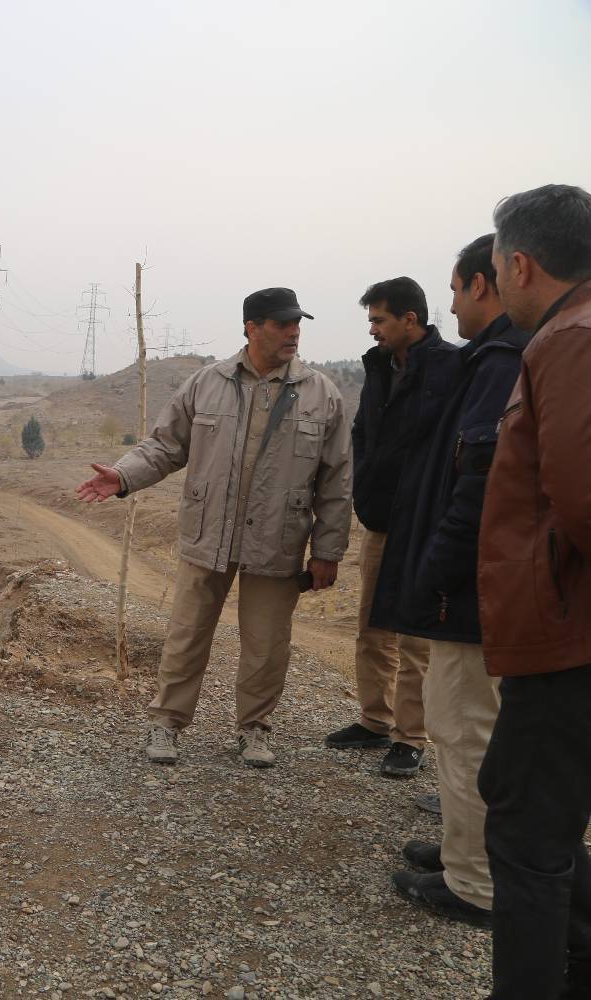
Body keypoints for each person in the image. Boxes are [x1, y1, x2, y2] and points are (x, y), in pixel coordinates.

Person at [76, 288, 350, 768]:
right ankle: (166, 723)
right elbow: (163, 447)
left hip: (278, 538)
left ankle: (255, 729)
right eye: (283, 323)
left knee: (267, 643)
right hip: (209, 532)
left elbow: (336, 478)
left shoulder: (320, 393)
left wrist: (327, 550)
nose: (294, 332)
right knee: (187, 632)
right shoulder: (208, 383)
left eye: (297, 323)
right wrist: (122, 477)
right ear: (252, 327)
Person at [367, 235, 529, 925]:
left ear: (483, 284)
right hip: (481, 584)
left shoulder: (501, 361)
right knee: (476, 728)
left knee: (464, 728)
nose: (452, 304)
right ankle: (469, 850)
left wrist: (434, 568)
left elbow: (478, 482)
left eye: (458, 289)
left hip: (470, 590)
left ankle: (475, 884)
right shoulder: (492, 359)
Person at [476, 183, 591, 998]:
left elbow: (582, 499)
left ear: (520, 264)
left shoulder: (571, 341)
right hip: (570, 632)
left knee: (528, 840)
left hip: (567, 640)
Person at [323, 277, 456, 778]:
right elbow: (365, 433)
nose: (373, 330)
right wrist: (365, 485)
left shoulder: (451, 368)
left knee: (414, 637)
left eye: (379, 320)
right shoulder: (380, 367)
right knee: (372, 628)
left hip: (426, 524)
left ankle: (411, 736)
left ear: (410, 319)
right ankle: (375, 721)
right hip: (381, 520)